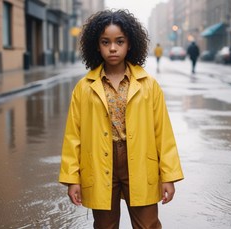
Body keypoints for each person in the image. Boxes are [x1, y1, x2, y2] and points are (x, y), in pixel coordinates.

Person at [58, 9, 184, 229]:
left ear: (130, 44)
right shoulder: (84, 88)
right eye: (105, 42)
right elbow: (73, 136)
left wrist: (169, 176)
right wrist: (72, 179)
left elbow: (162, 133)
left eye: (119, 41)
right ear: (97, 45)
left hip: (140, 162)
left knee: (148, 224)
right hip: (98, 163)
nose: (113, 48)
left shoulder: (148, 85)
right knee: (105, 225)